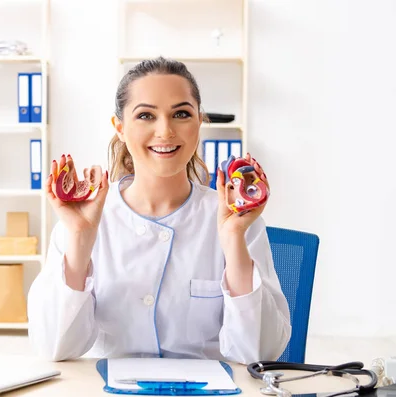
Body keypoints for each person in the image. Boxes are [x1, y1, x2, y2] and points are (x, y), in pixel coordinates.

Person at [27, 56, 291, 364]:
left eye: (181, 113)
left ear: (199, 121)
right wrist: (81, 240)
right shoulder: (83, 219)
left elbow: (261, 353)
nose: (165, 131)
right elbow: (53, 347)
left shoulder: (236, 220)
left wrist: (232, 240)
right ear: (120, 128)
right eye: (145, 116)